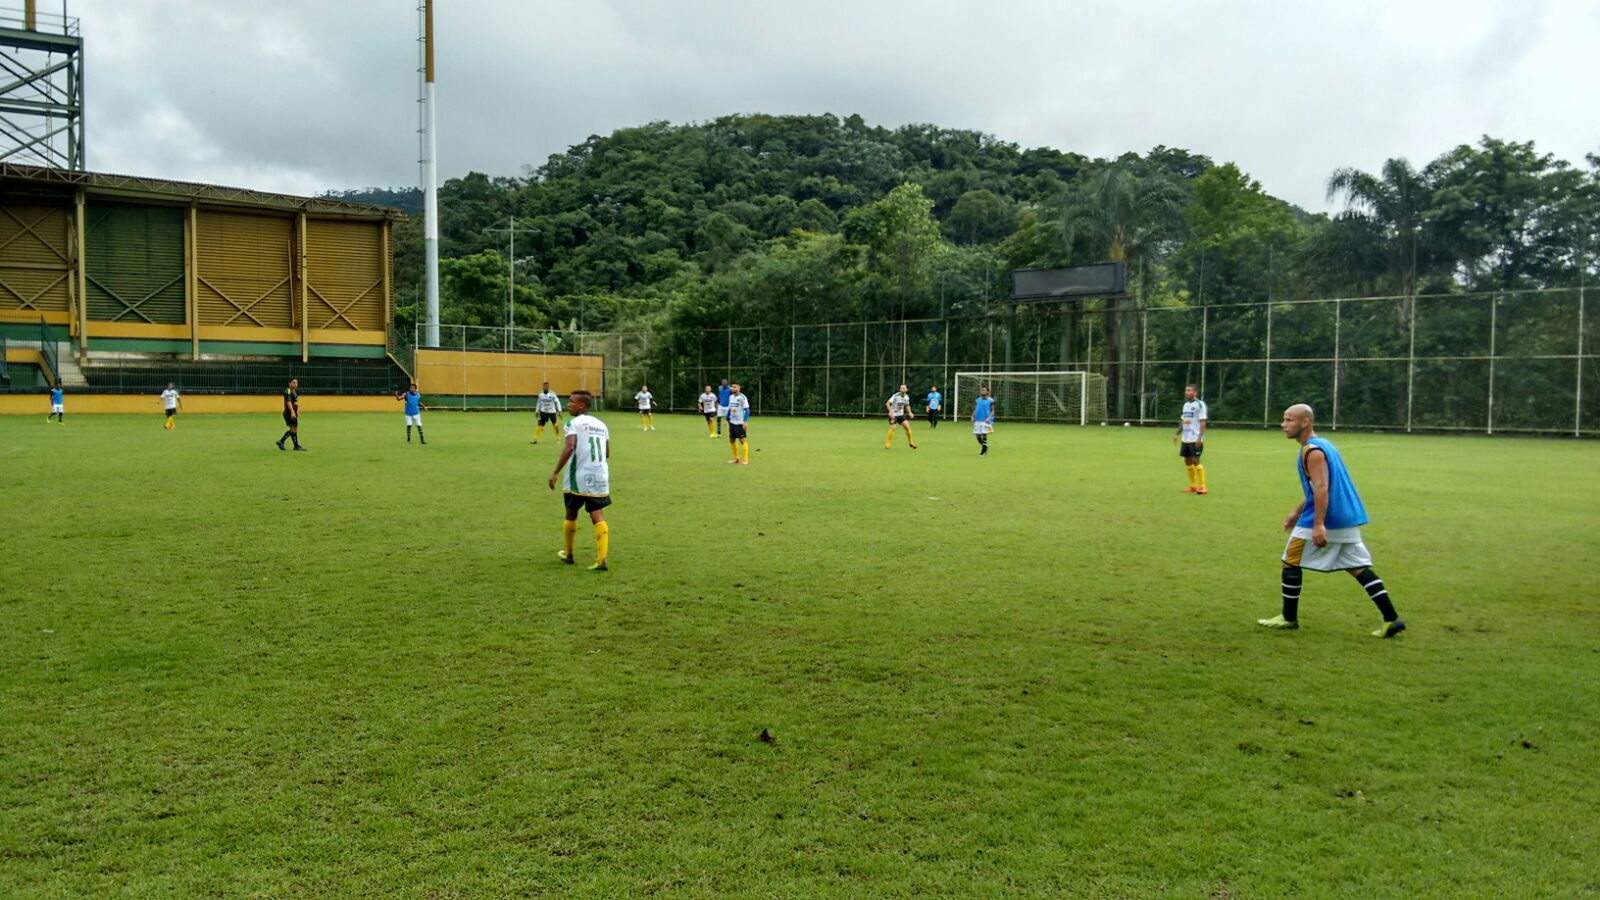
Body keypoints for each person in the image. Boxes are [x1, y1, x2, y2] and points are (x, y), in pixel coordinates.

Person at [1259, 404, 1405, 638]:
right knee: (1357, 567)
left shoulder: (1312, 451)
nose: (1283, 424)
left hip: (1328, 518)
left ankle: (1288, 618)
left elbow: (1321, 487)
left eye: (1288, 420)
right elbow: (1317, 487)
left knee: (1290, 561)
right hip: (1348, 517)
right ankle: (1391, 619)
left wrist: (1318, 524)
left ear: (1304, 422)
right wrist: (1297, 511)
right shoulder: (1325, 445)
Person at [548, 390, 611, 571]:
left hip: (579, 476)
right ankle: (601, 559)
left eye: (571, 401)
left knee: (571, 513)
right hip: (600, 475)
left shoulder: (572, 423)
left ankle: (569, 555)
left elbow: (570, 446)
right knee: (597, 515)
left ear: (582, 405)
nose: (568, 405)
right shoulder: (602, 425)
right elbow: (607, 453)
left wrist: (555, 472)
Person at [1172, 383, 1208, 494]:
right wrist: (1177, 434)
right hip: (1186, 438)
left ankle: (1202, 487)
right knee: (1187, 461)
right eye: (1186, 390)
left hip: (1195, 438)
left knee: (1195, 460)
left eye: (1189, 390)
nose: (1186, 392)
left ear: (1195, 392)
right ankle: (1193, 486)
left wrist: (1199, 438)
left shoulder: (1200, 404)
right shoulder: (1186, 405)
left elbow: (1203, 422)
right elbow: (1184, 421)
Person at [885, 384, 918, 450]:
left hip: (901, 415)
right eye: (901, 388)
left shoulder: (906, 397)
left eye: (903, 388)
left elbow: (907, 405)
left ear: (906, 389)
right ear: (900, 389)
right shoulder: (896, 395)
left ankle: (911, 442)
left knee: (907, 427)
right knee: (893, 428)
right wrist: (891, 411)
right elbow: (887, 403)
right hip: (893, 415)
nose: (902, 389)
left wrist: (910, 412)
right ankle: (887, 443)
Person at [276, 377, 305, 451]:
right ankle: (295, 446)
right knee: (293, 429)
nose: (295, 384)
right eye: (294, 382)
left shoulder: (294, 391)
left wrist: (297, 410)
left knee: (294, 429)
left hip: (293, 413)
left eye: (296, 382)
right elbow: (288, 402)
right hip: (289, 413)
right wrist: (292, 412)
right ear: (289, 383)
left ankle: (282, 442)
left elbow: (296, 401)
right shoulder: (288, 391)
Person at [726, 381, 751, 464]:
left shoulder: (742, 397)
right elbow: (730, 409)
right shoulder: (731, 397)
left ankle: (746, 459)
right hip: (732, 422)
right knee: (731, 440)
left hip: (740, 423)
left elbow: (746, 410)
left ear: (739, 388)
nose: (733, 388)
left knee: (742, 440)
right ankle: (736, 459)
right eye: (732, 387)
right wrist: (727, 418)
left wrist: (745, 421)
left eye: (735, 387)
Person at [972, 385, 995, 456]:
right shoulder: (978, 399)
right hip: (977, 419)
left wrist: (988, 418)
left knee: (984, 435)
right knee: (977, 436)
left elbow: (993, 411)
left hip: (985, 420)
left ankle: (983, 451)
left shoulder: (991, 400)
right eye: (982, 390)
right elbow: (976, 408)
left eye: (984, 390)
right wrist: (972, 415)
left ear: (987, 392)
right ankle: (985, 446)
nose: (982, 391)